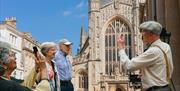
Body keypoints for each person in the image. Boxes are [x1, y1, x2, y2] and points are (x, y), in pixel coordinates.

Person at [117, 21, 173, 91]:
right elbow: (168, 68)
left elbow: (129, 66)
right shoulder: (166, 46)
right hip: (165, 87)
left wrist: (121, 49)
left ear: (151, 34)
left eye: (143, 32)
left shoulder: (153, 51)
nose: (142, 35)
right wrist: (148, 76)